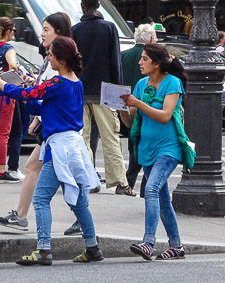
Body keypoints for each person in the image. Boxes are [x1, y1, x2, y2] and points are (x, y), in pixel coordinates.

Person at [0, 36, 104, 266]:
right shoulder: (75, 82)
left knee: (41, 198)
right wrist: (20, 89)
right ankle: (92, 248)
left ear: (61, 59)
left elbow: (30, 96)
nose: (48, 57)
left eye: (51, 55)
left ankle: (43, 250)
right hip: (74, 148)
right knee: (78, 202)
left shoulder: (57, 83)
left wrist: (2, 84)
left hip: (59, 149)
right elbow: (40, 102)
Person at [0, 12, 72, 231]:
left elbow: (47, 92)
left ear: (58, 32)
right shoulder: (53, 56)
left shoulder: (60, 58)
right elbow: (43, 89)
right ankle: (21, 216)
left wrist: (3, 85)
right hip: (52, 126)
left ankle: (81, 219)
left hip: (58, 129)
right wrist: (30, 84)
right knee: (36, 168)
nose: (42, 32)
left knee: (65, 176)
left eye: (46, 29)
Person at [119, 44, 186, 261]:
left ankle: (148, 242)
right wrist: (121, 108)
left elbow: (166, 115)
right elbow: (130, 122)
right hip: (146, 149)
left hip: (168, 147)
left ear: (156, 64)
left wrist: (137, 102)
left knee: (151, 189)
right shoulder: (140, 84)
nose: (140, 62)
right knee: (162, 198)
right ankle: (176, 246)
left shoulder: (172, 83)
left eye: (144, 59)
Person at [72, 0, 134, 197]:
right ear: (98, 5)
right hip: (105, 90)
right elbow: (115, 61)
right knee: (110, 137)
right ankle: (120, 183)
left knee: (83, 138)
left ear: (83, 7)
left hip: (80, 90)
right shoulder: (109, 27)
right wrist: (119, 92)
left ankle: (89, 180)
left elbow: (73, 63)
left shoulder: (75, 30)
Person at [121, 23, 156, 197]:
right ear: (151, 39)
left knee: (133, 147)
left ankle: (129, 182)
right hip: (146, 107)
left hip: (128, 107)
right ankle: (144, 189)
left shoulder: (123, 56)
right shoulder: (153, 60)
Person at [0, 17, 20, 183]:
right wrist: (13, 76)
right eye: (13, 30)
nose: (14, 33)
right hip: (5, 95)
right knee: (2, 134)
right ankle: (1, 171)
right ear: (8, 31)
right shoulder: (8, 47)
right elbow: (13, 65)